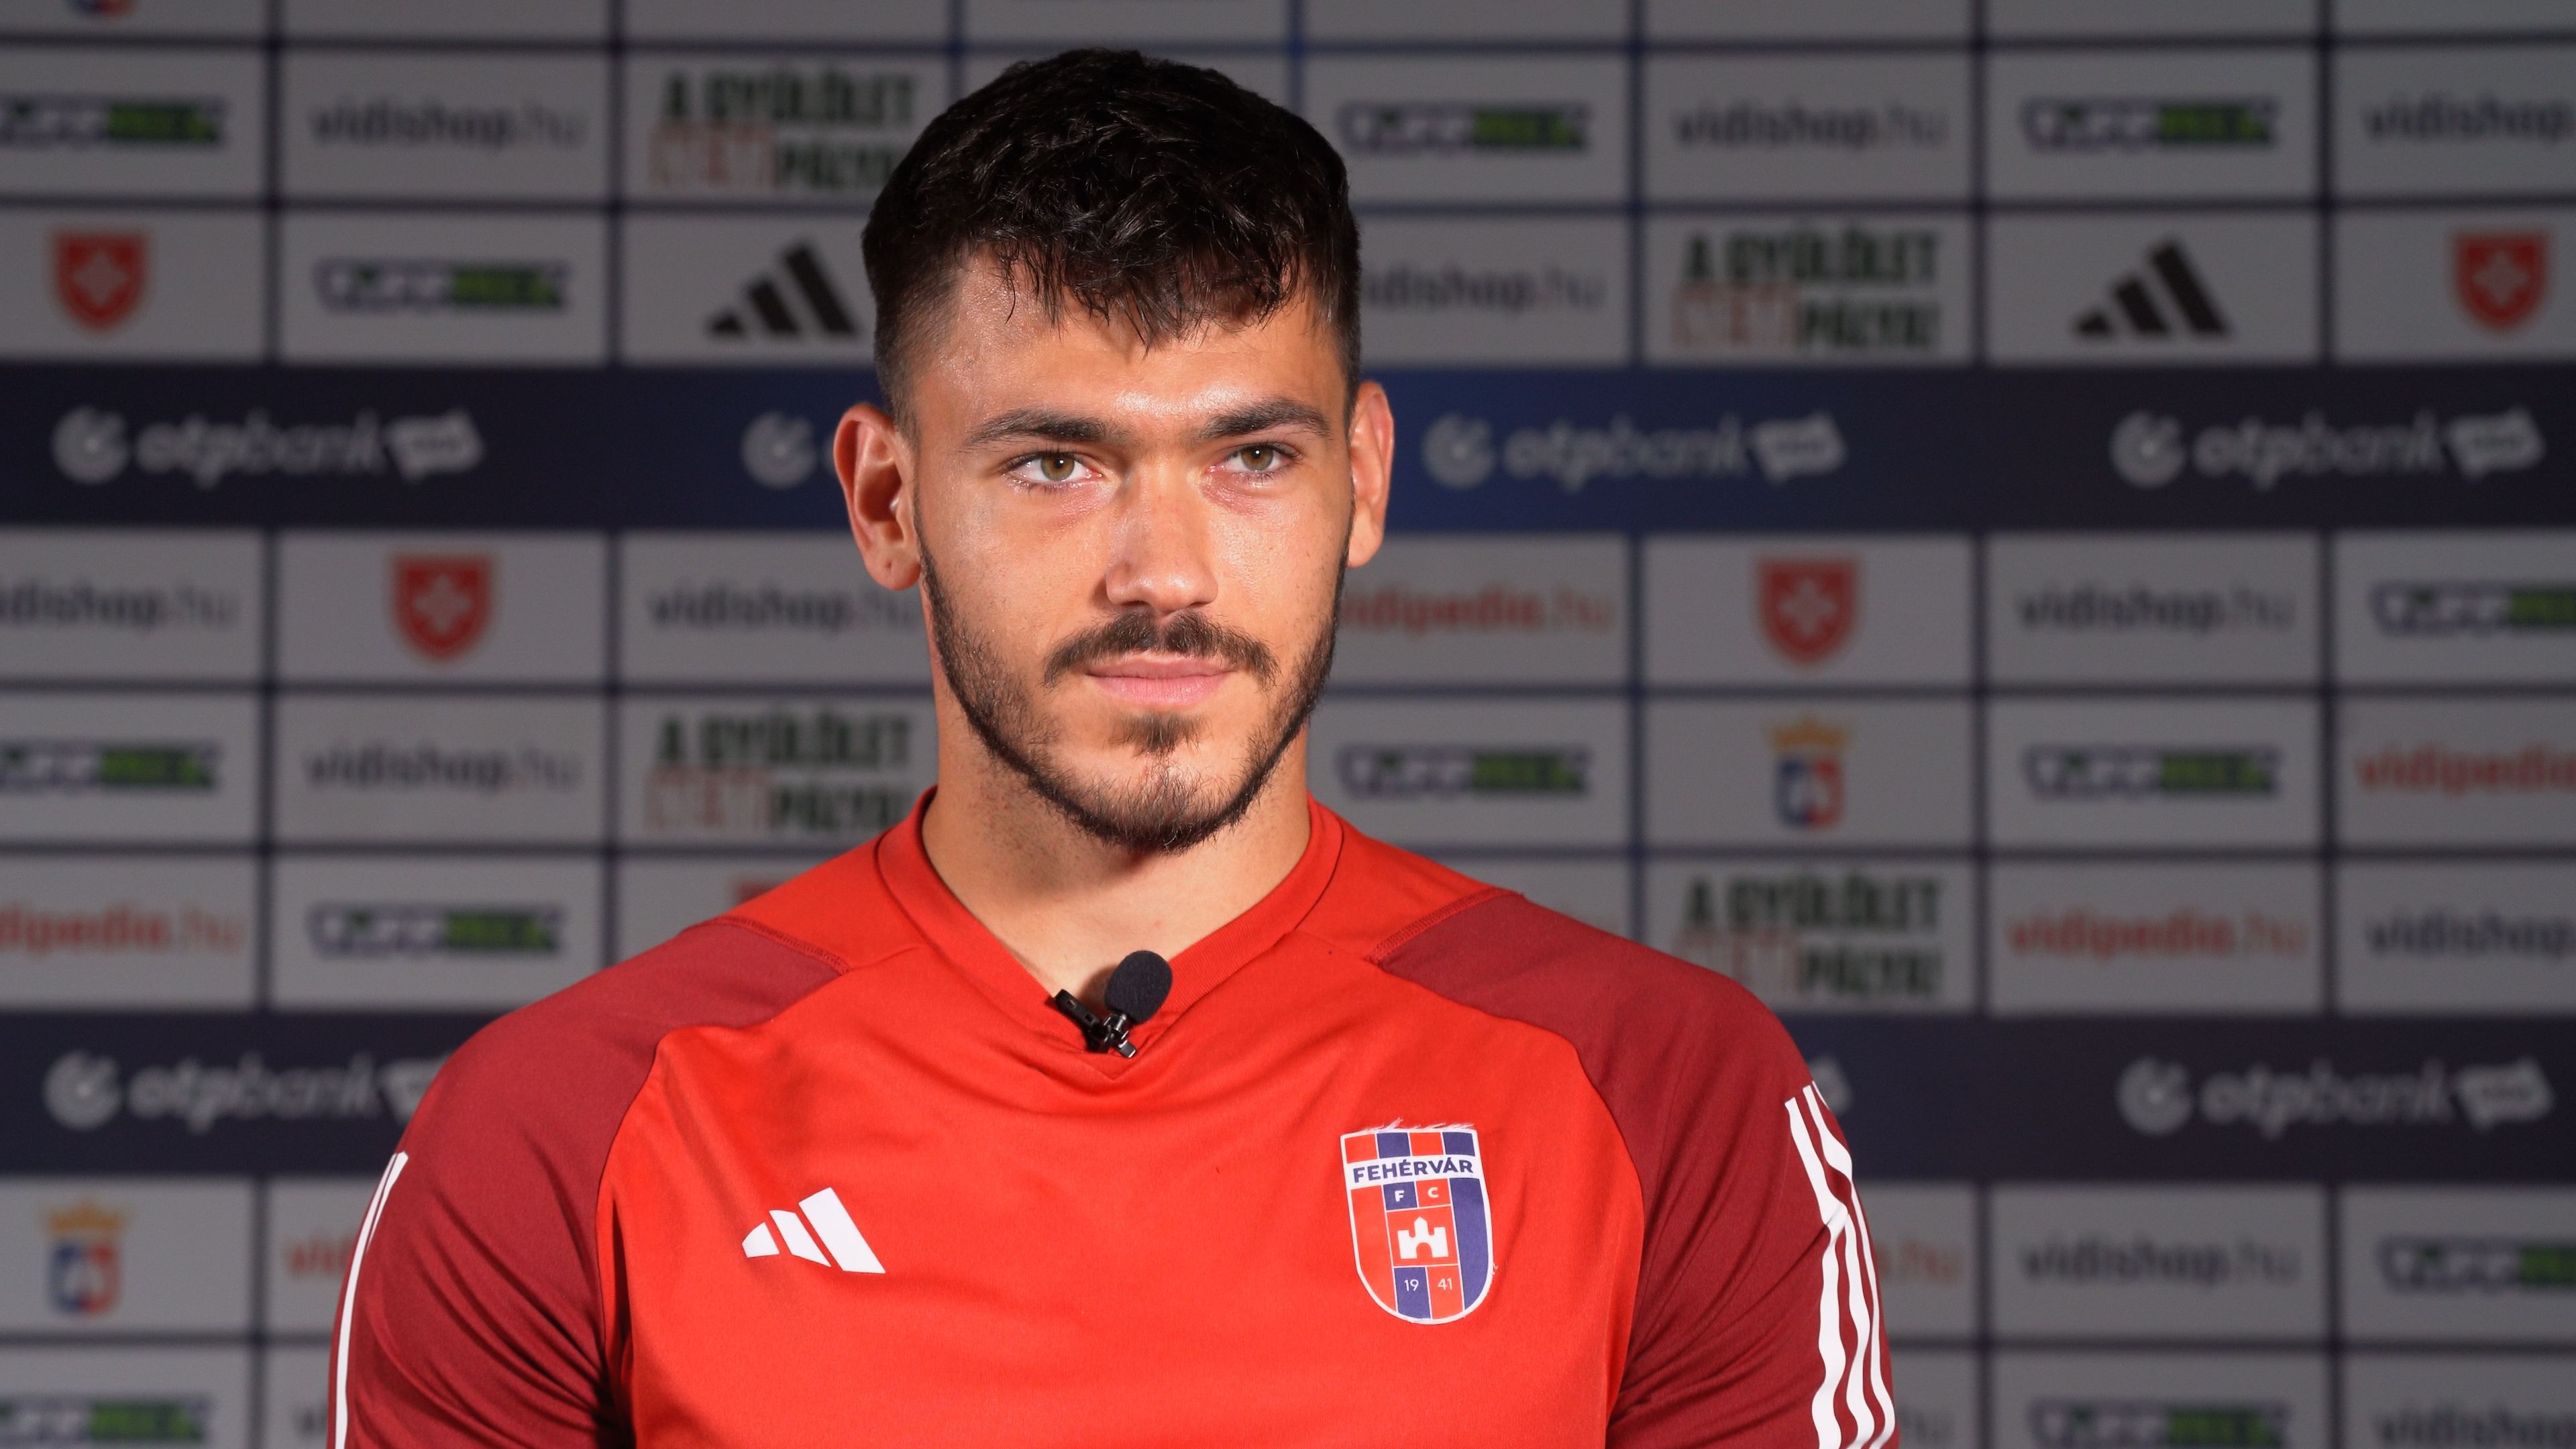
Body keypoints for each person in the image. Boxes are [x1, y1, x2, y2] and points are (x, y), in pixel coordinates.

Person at [329, 48, 1893, 1448]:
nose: (1164, 573)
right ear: (887, 503)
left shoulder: (1666, 1093)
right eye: (1056, 464)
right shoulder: (565, 1128)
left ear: (1362, 482)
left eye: (1252, 456)